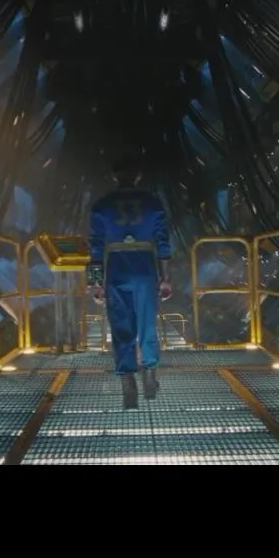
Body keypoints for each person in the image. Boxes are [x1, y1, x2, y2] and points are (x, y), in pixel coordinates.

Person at [86, 156, 173, 410]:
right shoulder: (152, 204)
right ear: (138, 176)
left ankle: (127, 383)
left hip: (117, 268)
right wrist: (165, 278)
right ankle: (150, 375)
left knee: (120, 324)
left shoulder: (101, 206)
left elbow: (95, 247)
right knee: (147, 323)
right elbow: (163, 243)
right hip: (145, 267)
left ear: (115, 176)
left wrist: (96, 283)